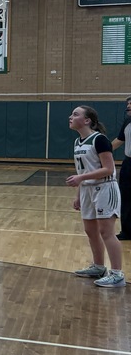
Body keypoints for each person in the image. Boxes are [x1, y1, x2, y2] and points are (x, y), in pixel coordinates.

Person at [68, 105, 125, 288]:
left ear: (87, 120)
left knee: (106, 232)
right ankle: (99, 267)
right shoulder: (78, 142)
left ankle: (117, 274)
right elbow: (82, 170)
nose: (70, 117)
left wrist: (81, 178)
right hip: (87, 190)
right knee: (90, 231)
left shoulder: (99, 140)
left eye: (75, 114)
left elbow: (108, 169)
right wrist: (79, 194)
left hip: (105, 188)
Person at [111, 95, 131, 240]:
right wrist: (102, 150)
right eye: (128, 104)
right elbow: (119, 140)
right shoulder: (127, 122)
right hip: (129, 164)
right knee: (126, 198)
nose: (128, 106)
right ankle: (127, 231)